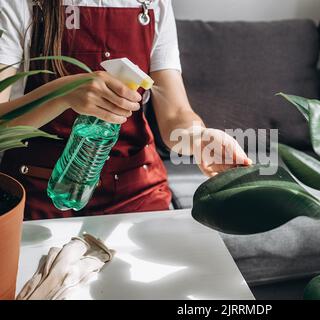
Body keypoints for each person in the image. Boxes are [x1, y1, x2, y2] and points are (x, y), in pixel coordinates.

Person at [0, 0, 251, 220]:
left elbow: (175, 115)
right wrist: (62, 94)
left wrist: (200, 139)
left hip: (137, 193)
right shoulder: (18, 4)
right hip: (36, 192)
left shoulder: (154, 3)